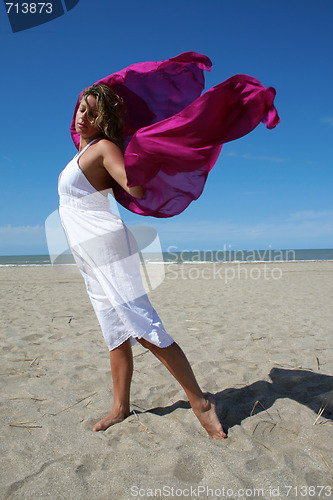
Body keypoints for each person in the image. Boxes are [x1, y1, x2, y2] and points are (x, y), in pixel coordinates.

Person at [58, 83, 227, 439]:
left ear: (104, 120)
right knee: (114, 333)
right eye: (81, 109)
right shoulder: (82, 150)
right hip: (88, 255)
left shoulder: (103, 148)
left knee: (144, 327)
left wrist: (146, 157)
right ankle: (120, 407)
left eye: (92, 112)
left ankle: (201, 402)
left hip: (107, 250)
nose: (84, 116)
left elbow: (132, 187)